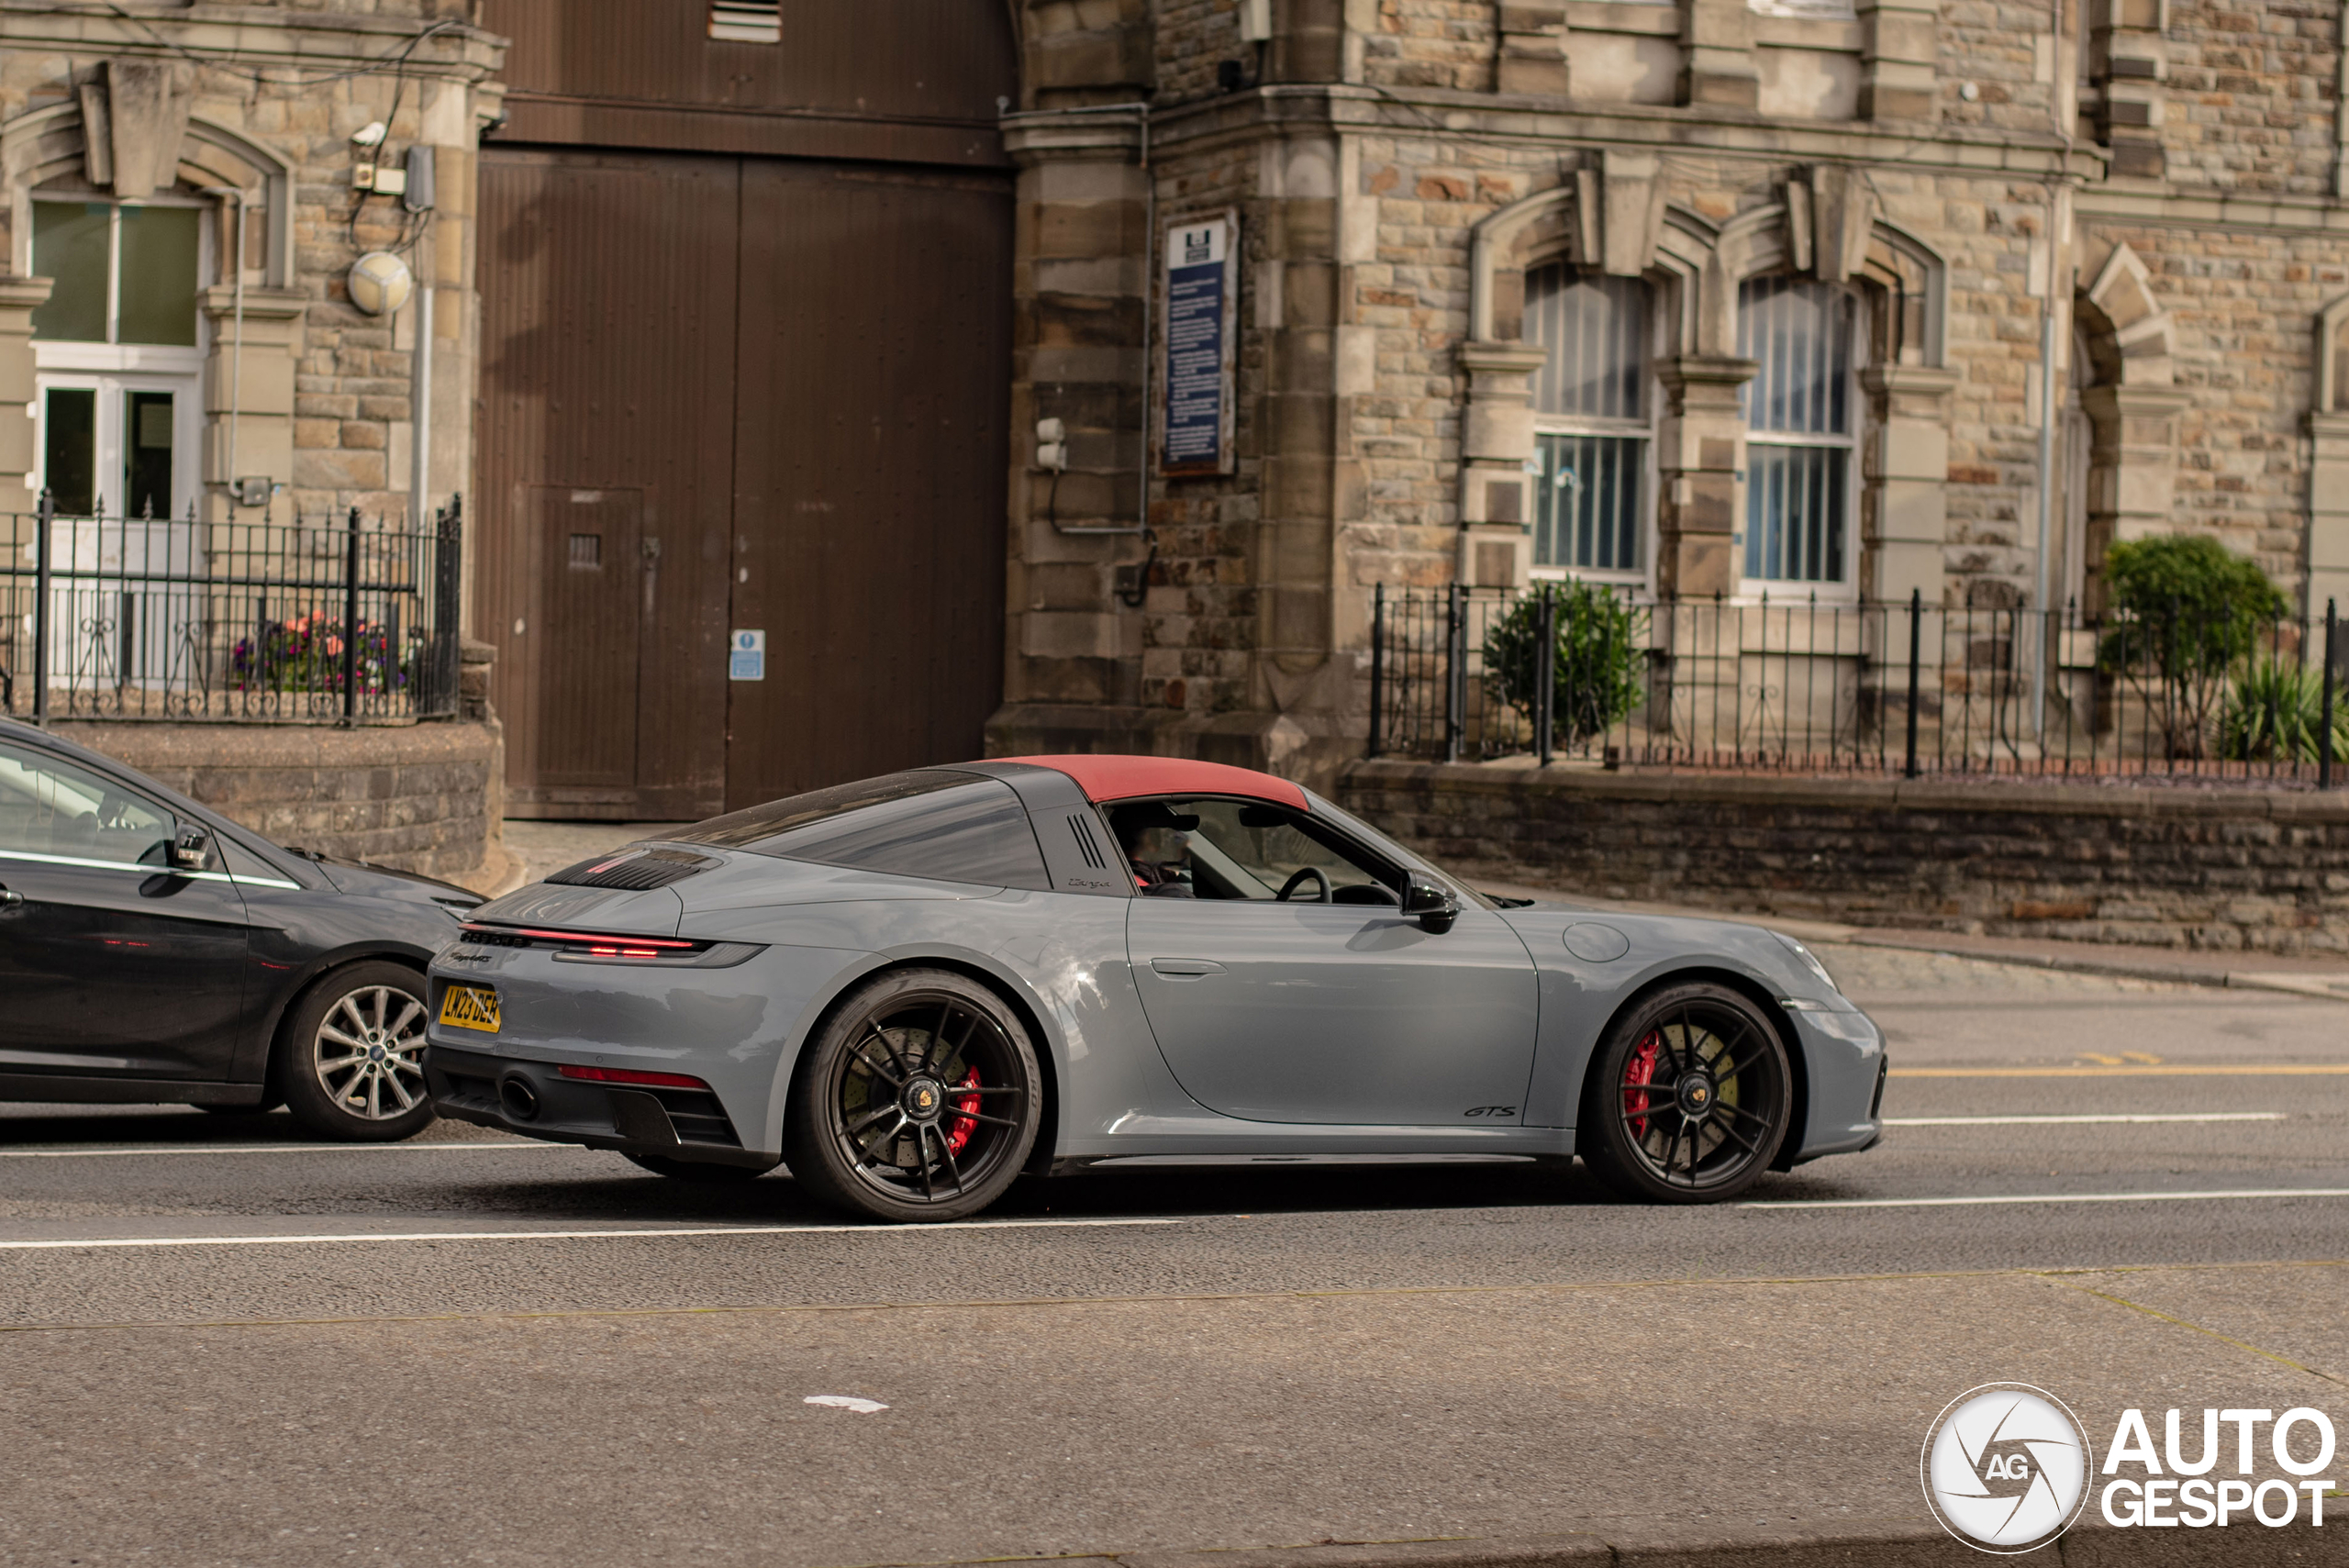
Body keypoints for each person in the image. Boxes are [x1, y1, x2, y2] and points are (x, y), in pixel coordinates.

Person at [1108, 801, 1199, 897]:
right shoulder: (1172, 895)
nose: (1186, 843)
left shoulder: (1113, 885)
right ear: (1150, 843)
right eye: (1174, 836)